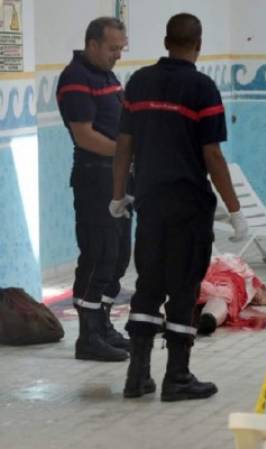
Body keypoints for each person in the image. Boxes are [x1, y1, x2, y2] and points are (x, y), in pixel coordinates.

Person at [111, 12, 248, 402]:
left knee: (148, 286)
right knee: (184, 289)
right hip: (188, 206)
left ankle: (136, 377)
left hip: (150, 202)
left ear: (166, 40)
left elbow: (124, 144)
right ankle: (177, 376)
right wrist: (235, 210)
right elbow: (212, 156)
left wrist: (118, 194)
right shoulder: (202, 88)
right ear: (198, 44)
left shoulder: (139, 81)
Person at [56, 17, 132, 362]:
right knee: (98, 254)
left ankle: (103, 326)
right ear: (93, 45)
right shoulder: (76, 78)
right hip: (95, 179)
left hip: (118, 178)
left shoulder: (106, 75)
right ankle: (88, 337)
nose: (118, 55)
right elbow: (85, 135)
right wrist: (126, 152)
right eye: (113, 48)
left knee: (118, 256)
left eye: (120, 48)